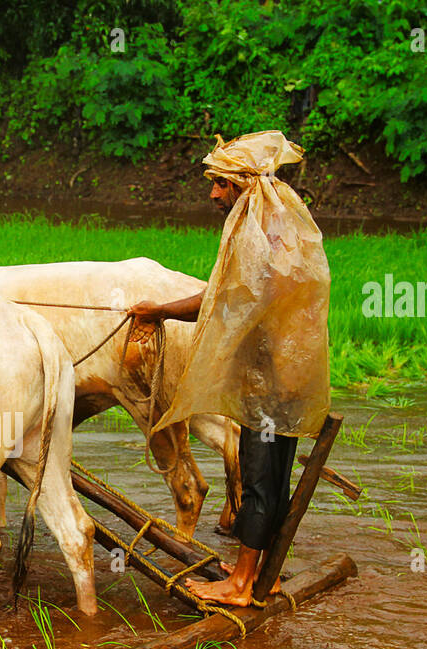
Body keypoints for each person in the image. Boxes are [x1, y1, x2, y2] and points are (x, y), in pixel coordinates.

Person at [126, 131, 331, 607]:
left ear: (242, 184)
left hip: (268, 380)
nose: (213, 194)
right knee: (274, 477)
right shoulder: (281, 222)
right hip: (289, 376)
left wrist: (159, 311)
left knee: (259, 477)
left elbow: (220, 300)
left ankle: (240, 585)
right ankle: (263, 574)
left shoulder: (259, 231)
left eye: (220, 183)